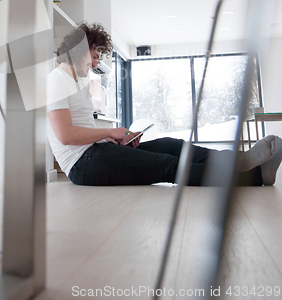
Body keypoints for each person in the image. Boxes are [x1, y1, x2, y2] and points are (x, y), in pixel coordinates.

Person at [46, 22, 282, 186]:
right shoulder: (56, 79)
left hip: (96, 151)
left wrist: (112, 138)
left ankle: (239, 160)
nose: (96, 63)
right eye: (95, 56)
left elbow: (82, 130)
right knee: (168, 166)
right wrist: (108, 131)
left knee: (172, 145)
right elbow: (66, 136)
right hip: (82, 165)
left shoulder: (77, 83)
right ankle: (257, 176)